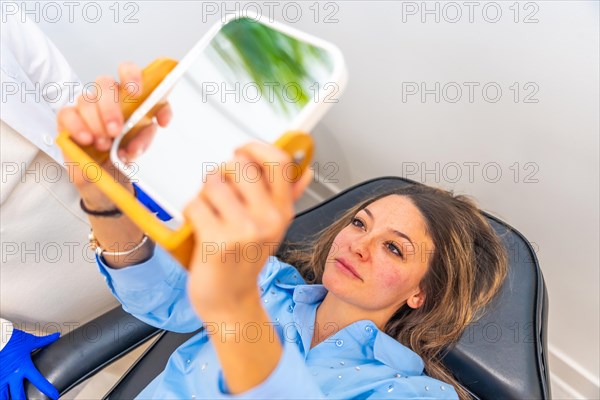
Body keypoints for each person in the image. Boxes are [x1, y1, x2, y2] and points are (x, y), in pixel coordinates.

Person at [57, 64, 508, 399]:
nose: (359, 245)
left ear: (420, 294)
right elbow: (155, 295)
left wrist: (234, 307)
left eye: (393, 248)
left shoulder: (416, 394)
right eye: (358, 223)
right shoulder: (268, 284)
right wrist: (104, 193)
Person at [0, 13, 170, 399]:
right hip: (32, 312)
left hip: (114, 216)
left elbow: (58, 88)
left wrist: (128, 176)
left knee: (180, 338)